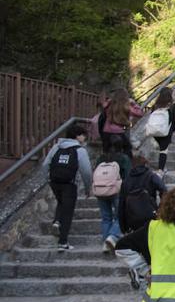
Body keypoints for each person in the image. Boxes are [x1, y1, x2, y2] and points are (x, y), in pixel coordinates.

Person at [117, 154, 166, 289]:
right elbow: (163, 189)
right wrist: (161, 208)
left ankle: (138, 269)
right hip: (149, 215)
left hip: (132, 218)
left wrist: (123, 225)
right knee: (151, 245)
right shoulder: (150, 175)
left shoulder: (126, 180)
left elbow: (121, 204)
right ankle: (149, 272)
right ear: (146, 164)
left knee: (136, 244)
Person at [44, 123, 93, 252]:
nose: (84, 138)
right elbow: (86, 171)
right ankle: (63, 242)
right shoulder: (80, 150)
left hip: (55, 182)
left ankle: (57, 221)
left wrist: (47, 178)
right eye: (83, 135)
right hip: (69, 184)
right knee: (68, 211)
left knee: (61, 202)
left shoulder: (56, 147)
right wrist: (88, 188)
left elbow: (45, 164)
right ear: (77, 136)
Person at [92, 135, 131, 253]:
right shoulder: (123, 158)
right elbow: (128, 176)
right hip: (116, 191)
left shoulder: (101, 158)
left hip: (100, 190)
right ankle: (113, 236)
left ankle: (106, 242)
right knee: (121, 215)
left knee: (106, 217)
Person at [146, 87, 175, 174]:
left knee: (162, 148)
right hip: (166, 131)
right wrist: (172, 130)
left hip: (155, 131)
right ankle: (160, 170)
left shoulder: (155, 106)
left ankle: (162, 168)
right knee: (163, 150)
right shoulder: (173, 106)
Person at [100, 89, 143, 157]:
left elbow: (103, 104)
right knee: (127, 150)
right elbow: (139, 113)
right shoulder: (127, 107)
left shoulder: (109, 105)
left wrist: (110, 100)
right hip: (120, 132)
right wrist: (133, 103)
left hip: (107, 132)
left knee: (106, 153)